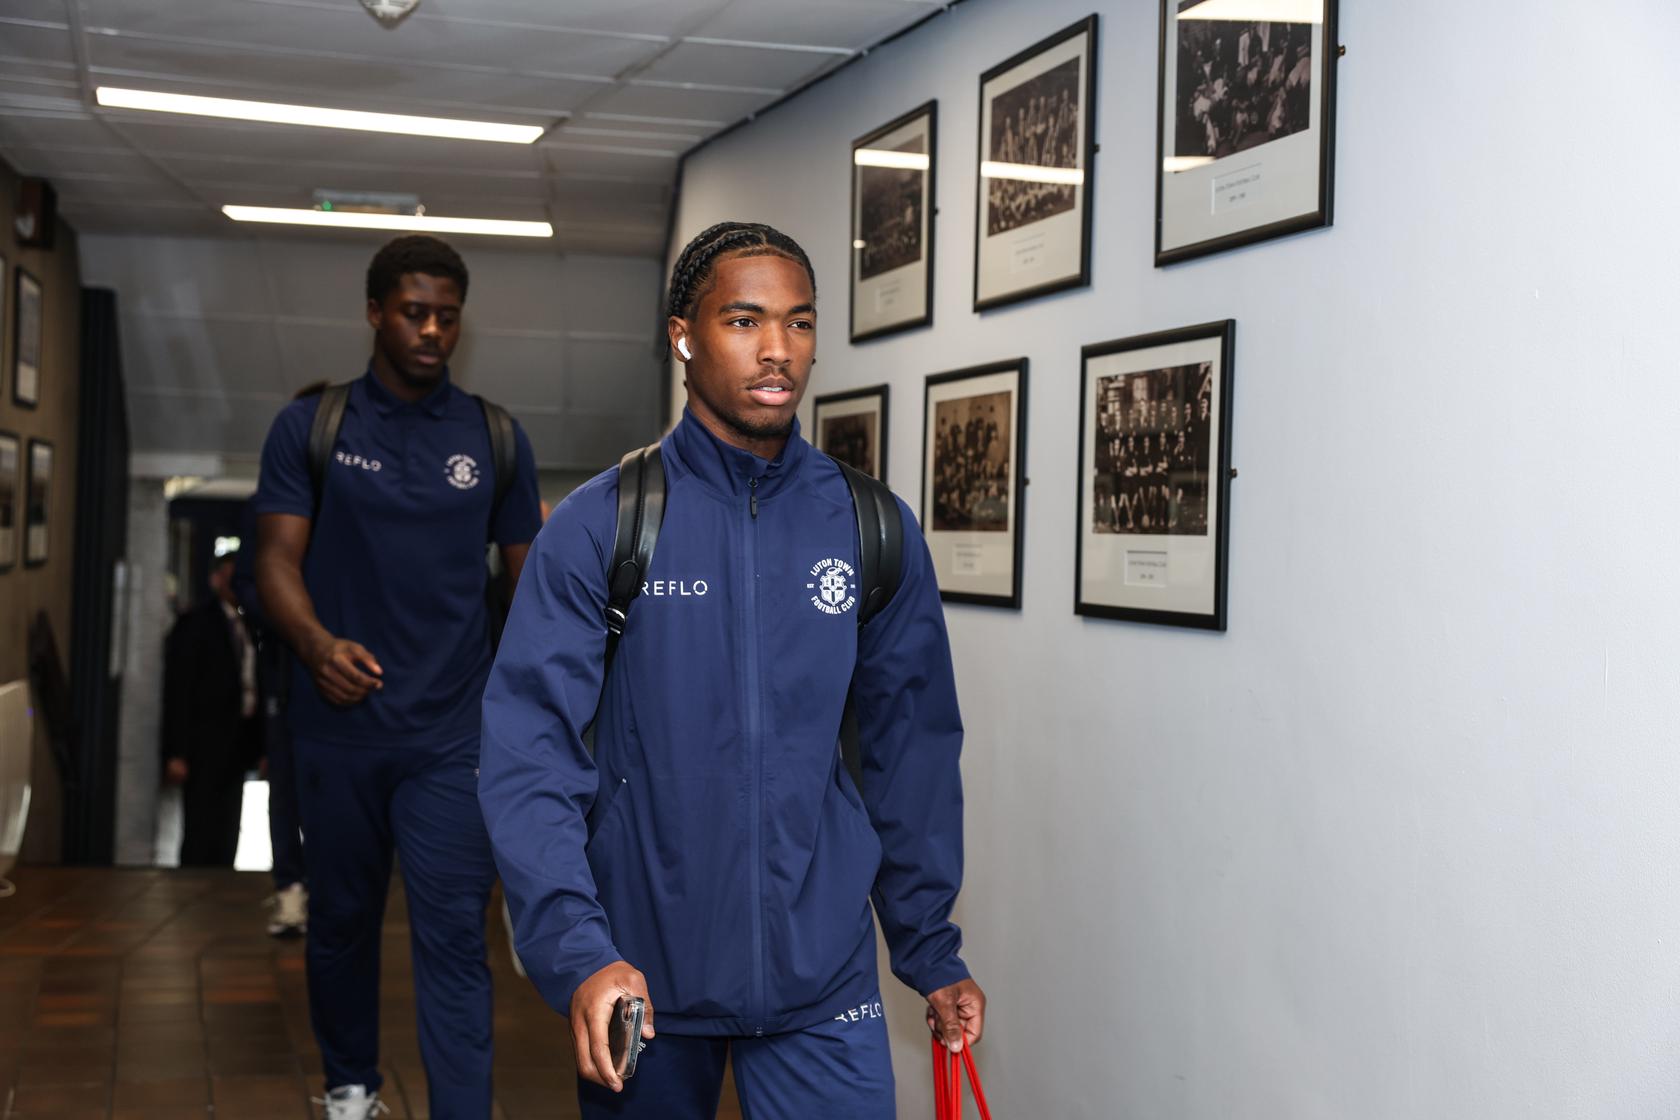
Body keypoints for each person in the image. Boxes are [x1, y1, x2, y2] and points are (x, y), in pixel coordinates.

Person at [479, 221, 986, 1120]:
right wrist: (579, 951)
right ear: (684, 335)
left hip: (821, 978)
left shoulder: (870, 527)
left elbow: (909, 752)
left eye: (799, 323)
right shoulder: (604, 526)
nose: (777, 351)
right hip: (645, 973)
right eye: (744, 321)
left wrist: (929, 947)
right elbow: (531, 757)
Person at [252, 235, 542, 1120]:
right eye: (413, 312)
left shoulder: (493, 435)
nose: (430, 331)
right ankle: (350, 1088)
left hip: (451, 738)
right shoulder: (313, 428)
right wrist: (316, 645)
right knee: (340, 926)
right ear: (375, 312)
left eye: (446, 316)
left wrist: (532, 706)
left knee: (454, 936)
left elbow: (531, 584)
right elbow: (273, 561)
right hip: (338, 731)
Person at [161, 552, 261, 867]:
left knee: (228, 825)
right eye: (230, 579)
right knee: (200, 827)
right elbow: (179, 690)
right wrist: (176, 752)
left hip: (238, 740)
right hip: (203, 742)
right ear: (216, 580)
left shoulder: (253, 623)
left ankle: (223, 881)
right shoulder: (196, 625)